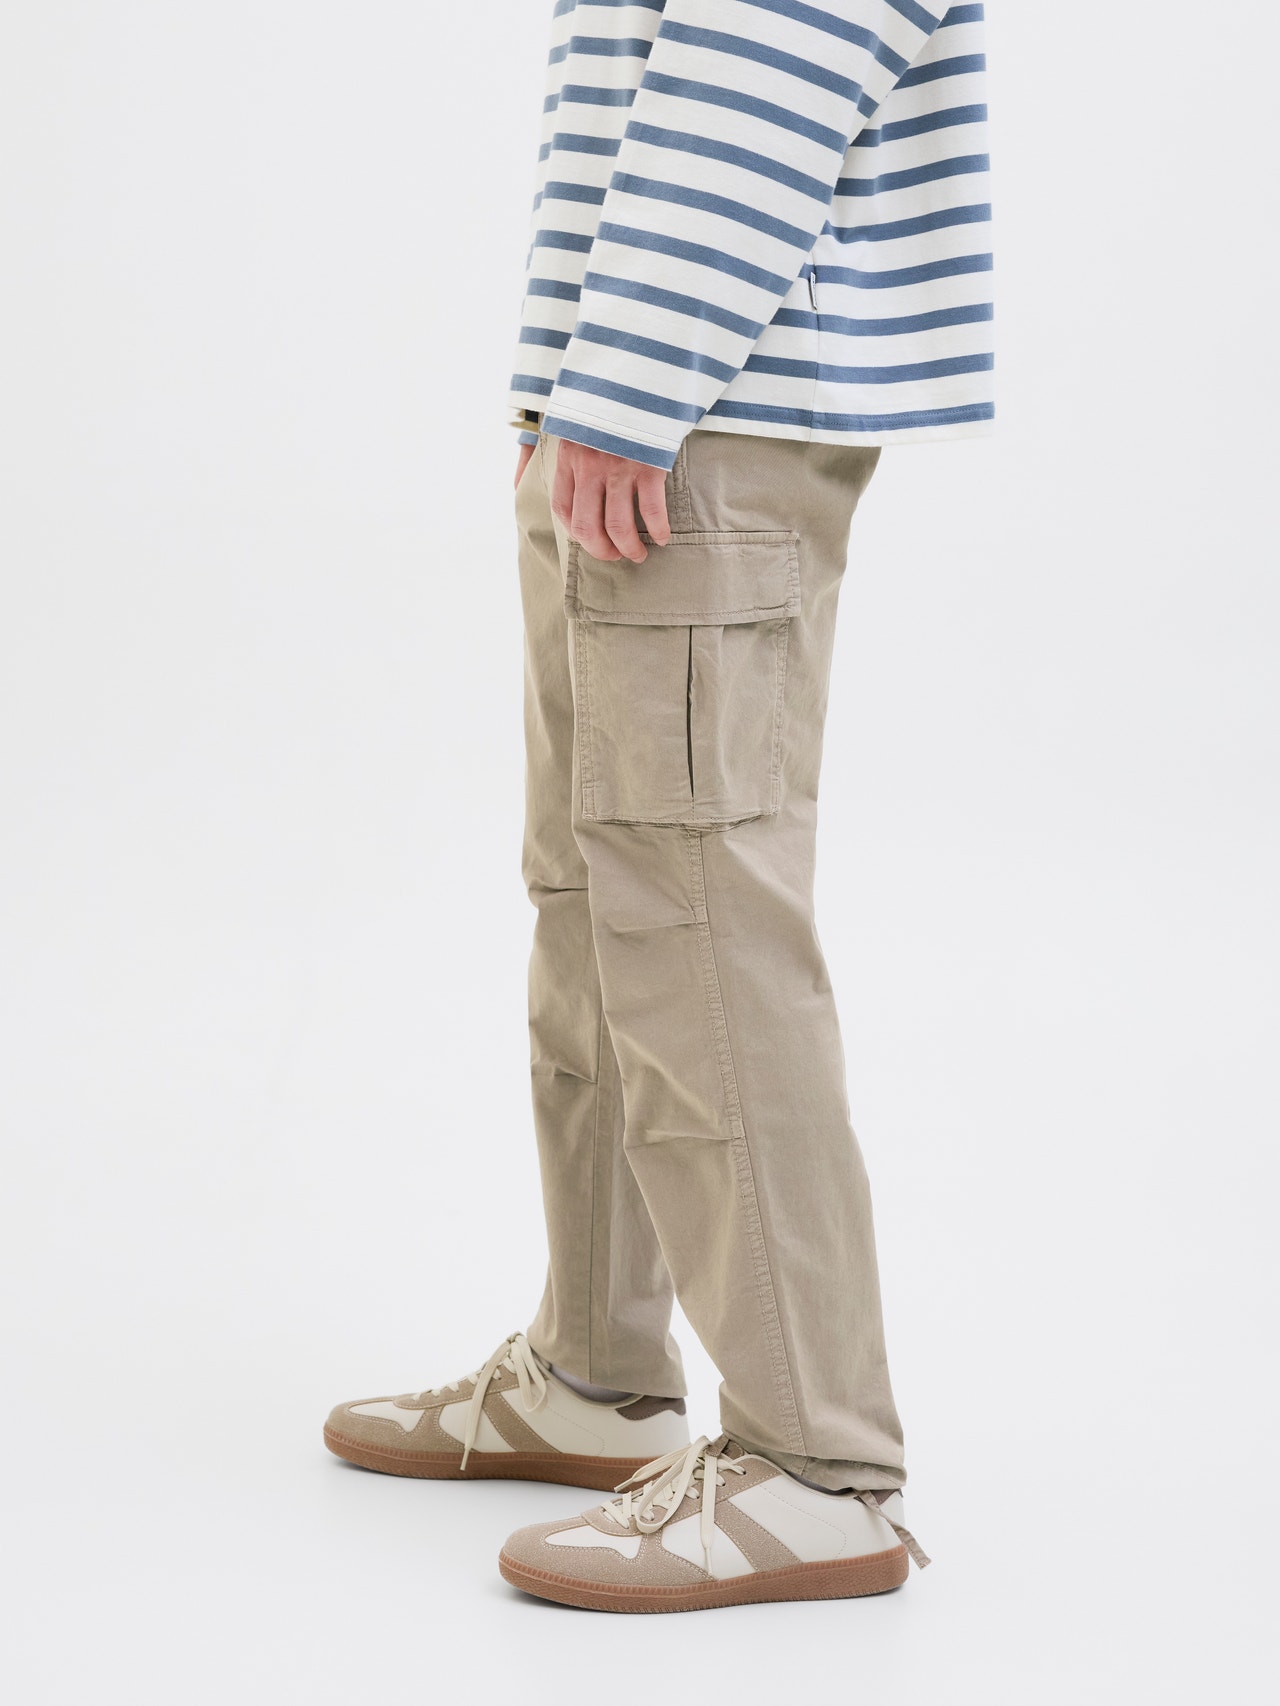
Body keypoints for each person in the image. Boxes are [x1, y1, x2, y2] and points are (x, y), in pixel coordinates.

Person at [325, 0, 992, 1613]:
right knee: (598, 901)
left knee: (697, 922)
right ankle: (599, 1370)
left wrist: (627, 377)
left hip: (702, 403)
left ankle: (820, 1463)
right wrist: (574, 388)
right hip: (632, 405)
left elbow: (778, 42)